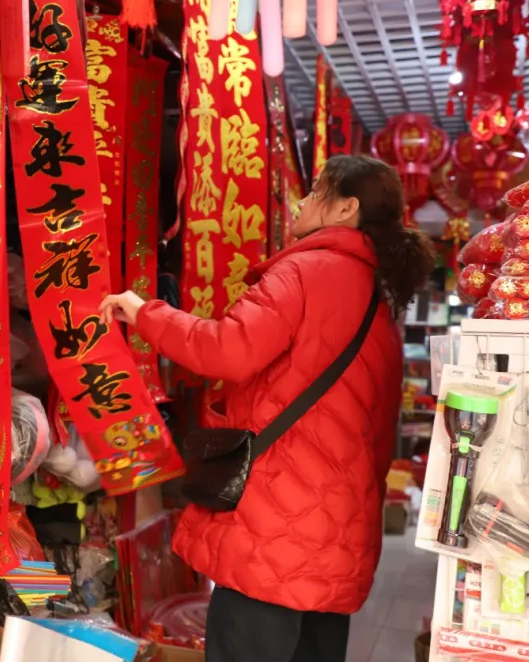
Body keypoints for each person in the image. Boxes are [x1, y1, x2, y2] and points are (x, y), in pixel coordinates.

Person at [100, 155, 435, 662]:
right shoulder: (380, 296)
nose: (302, 201)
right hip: (341, 531)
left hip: (274, 527)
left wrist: (146, 312)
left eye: (317, 191)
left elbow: (228, 350)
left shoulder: (305, 271)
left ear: (346, 208)